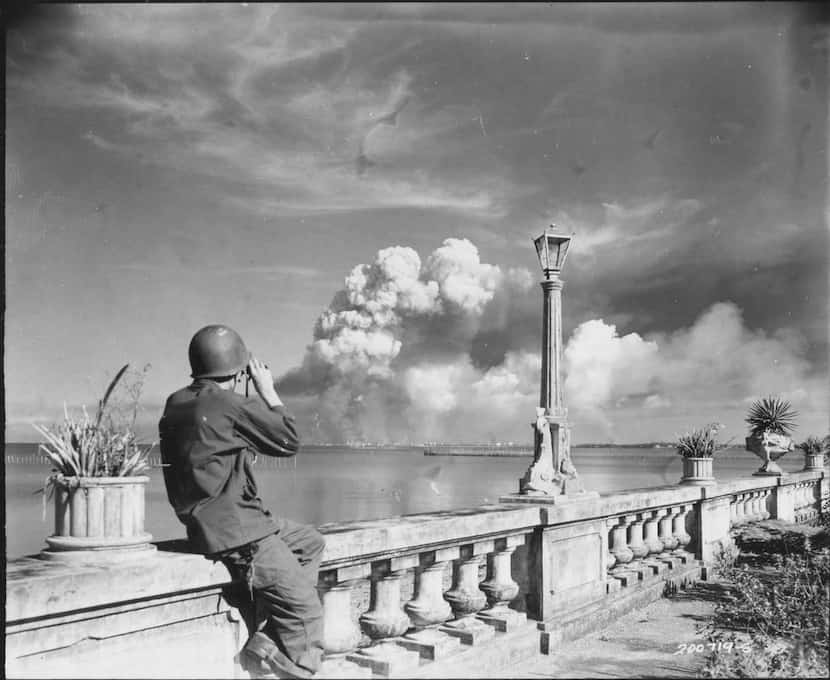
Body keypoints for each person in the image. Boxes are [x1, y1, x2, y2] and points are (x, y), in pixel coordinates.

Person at [158, 324, 325, 679]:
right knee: (306, 610)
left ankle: (267, 640)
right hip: (240, 533)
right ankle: (298, 667)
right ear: (237, 372)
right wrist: (268, 392)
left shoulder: (175, 403)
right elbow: (289, 440)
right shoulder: (228, 404)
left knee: (309, 542)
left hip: (214, 523)